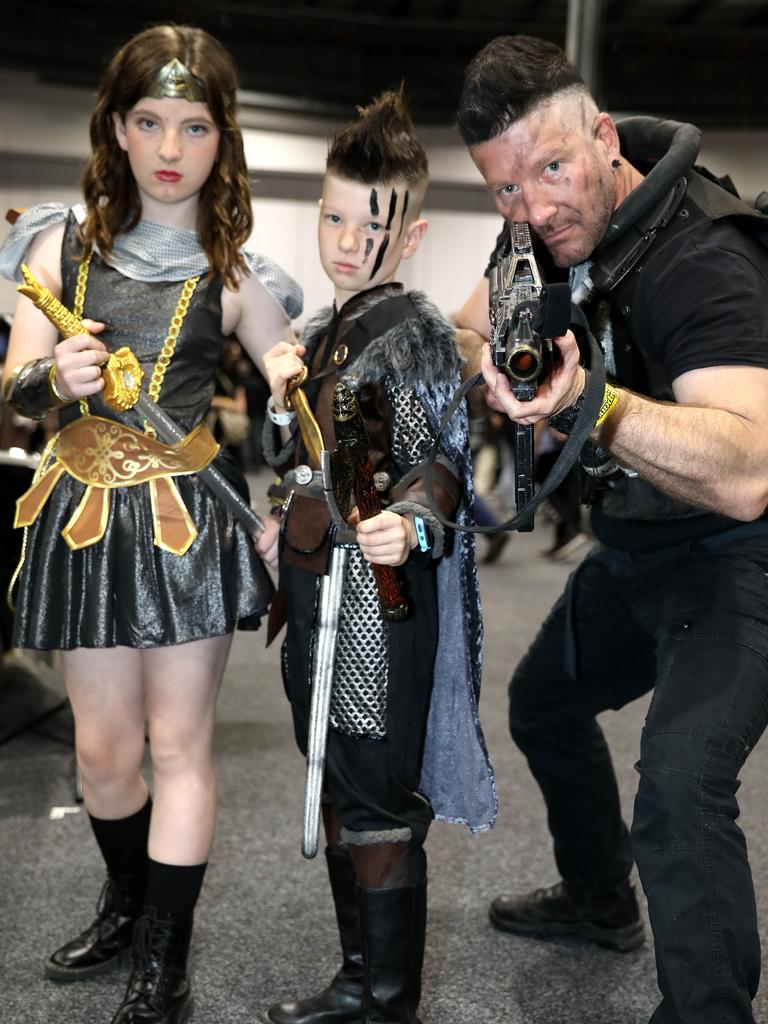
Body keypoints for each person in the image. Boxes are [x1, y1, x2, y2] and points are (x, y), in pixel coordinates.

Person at [456, 33, 768, 1024]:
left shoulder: (702, 256)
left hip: (736, 559)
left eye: (551, 169)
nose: (533, 210)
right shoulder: (533, 231)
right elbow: (469, 322)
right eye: (506, 189)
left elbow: (750, 470)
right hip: (633, 546)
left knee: (677, 789)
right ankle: (600, 902)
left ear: (600, 136)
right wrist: (501, 356)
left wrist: (590, 400)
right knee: (543, 704)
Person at [0, 24, 301, 1024]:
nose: (171, 146)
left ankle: (162, 964)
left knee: (178, 745)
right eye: (150, 120)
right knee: (103, 754)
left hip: (186, 527)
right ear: (117, 128)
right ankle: (130, 903)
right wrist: (54, 376)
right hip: (85, 519)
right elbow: (18, 383)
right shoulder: (59, 244)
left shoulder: (237, 272)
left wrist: (308, 494)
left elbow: (300, 393)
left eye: (196, 125)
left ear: (224, 140)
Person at [260, 88, 496, 1024]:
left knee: (377, 804)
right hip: (315, 596)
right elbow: (294, 458)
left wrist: (414, 518)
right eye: (333, 216)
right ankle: (359, 979)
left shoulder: (421, 335)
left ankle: (387, 1001)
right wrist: (281, 399)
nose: (349, 238)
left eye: (372, 222)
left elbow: (442, 459)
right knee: (331, 779)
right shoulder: (317, 333)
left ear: (411, 232)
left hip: (380, 604)